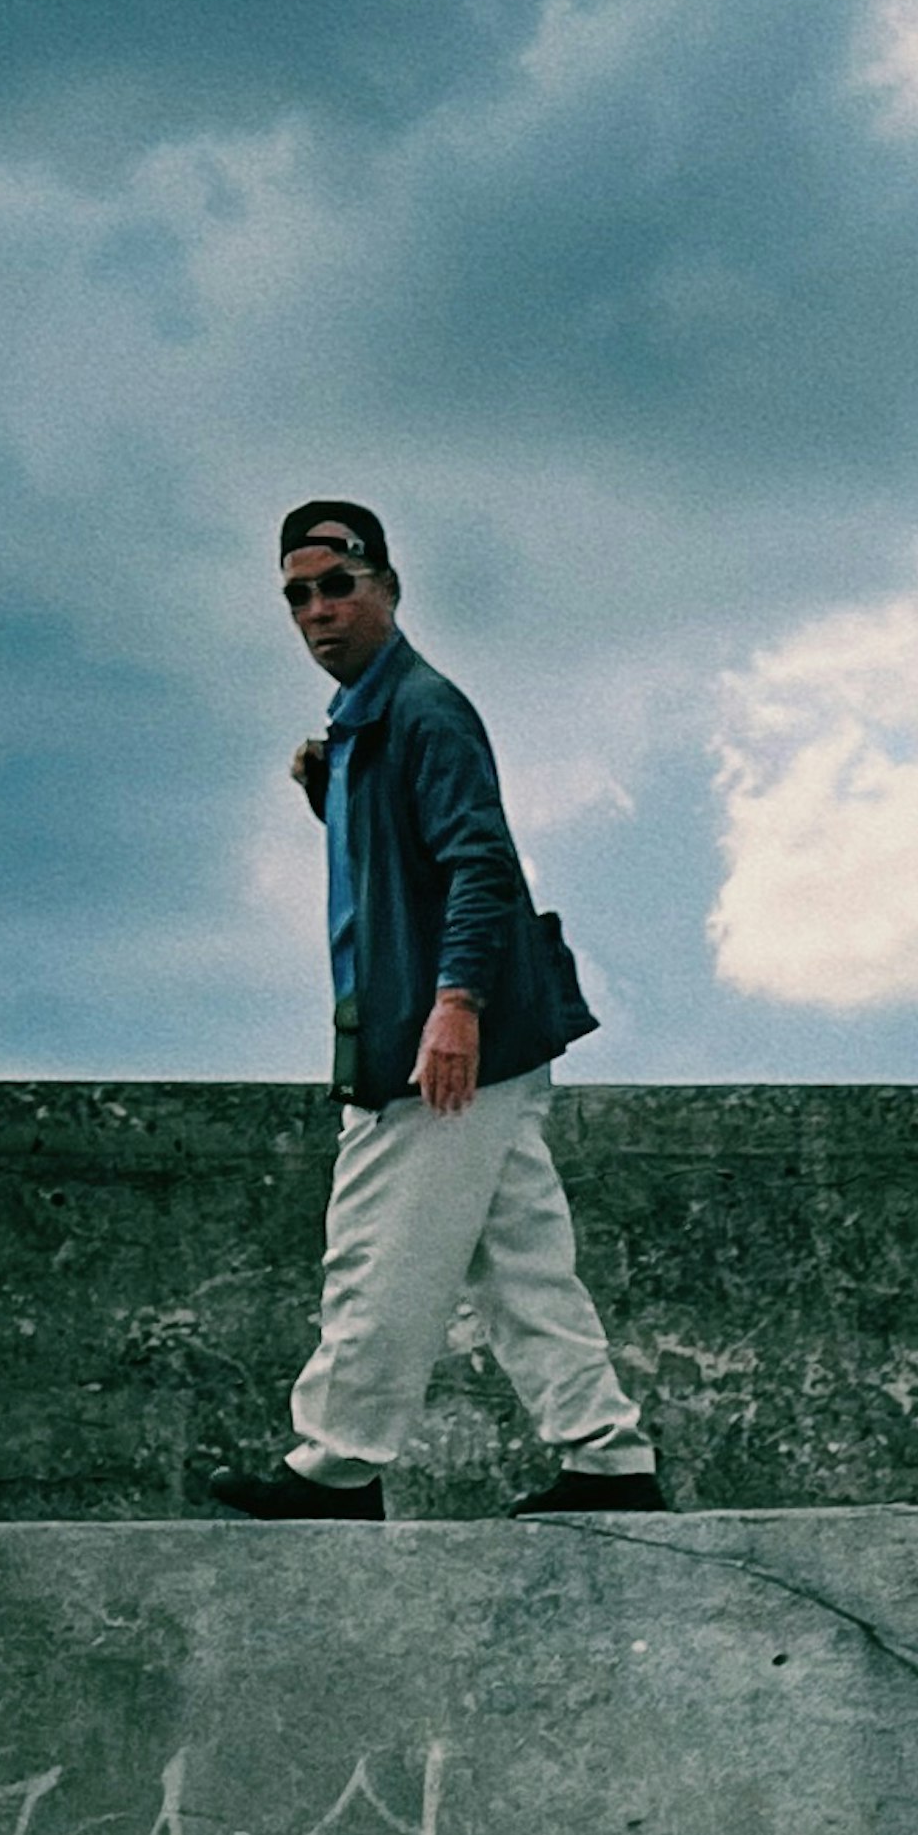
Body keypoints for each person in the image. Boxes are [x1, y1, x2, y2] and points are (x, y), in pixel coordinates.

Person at [205, 500, 662, 1524]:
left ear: (387, 590)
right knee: (524, 1270)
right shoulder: (369, 727)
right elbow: (407, 869)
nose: (318, 610)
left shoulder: (422, 708)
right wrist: (335, 792)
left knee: (375, 1249)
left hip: (440, 1050)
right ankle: (610, 1463)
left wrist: (454, 1008)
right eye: (298, 595)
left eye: (338, 586)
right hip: (459, 1041)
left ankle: (336, 1466)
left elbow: (481, 868)